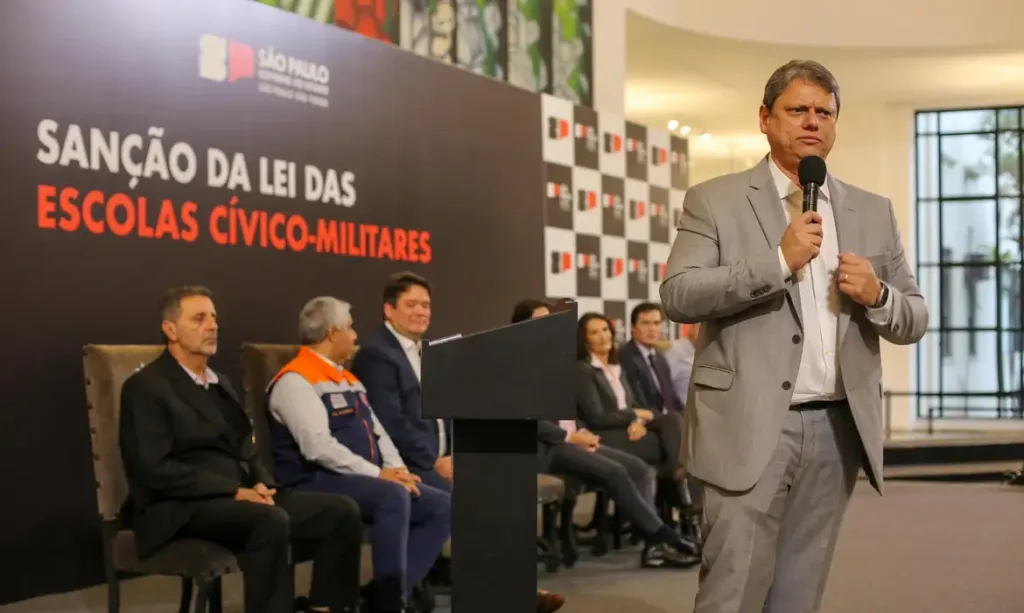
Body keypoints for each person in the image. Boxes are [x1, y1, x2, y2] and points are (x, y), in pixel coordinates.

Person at [659, 60, 928, 613]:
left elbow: (915, 317)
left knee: (799, 595)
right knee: (732, 592)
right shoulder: (714, 199)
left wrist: (878, 294)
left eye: (824, 112)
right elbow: (679, 294)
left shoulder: (872, 210)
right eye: (798, 109)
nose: (812, 121)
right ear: (765, 119)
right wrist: (777, 261)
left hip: (836, 429)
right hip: (748, 424)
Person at [119, 286, 365, 613]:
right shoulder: (146, 388)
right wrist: (233, 490)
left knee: (342, 511)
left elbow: (244, 447)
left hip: (235, 495)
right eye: (199, 318)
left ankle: (325, 607)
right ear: (170, 329)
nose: (212, 326)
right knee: (270, 521)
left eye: (214, 318)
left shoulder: (219, 383)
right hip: (178, 506)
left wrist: (261, 483)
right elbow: (154, 469)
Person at [351, 274, 566, 613]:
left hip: (440, 457)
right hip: (406, 464)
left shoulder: (426, 350)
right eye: (411, 304)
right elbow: (390, 422)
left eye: (426, 305)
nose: (421, 311)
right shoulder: (377, 355)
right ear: (389, 309)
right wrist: (433, 460)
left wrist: (457, 453)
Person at [266, 296, 451, 613]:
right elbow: (318, 447)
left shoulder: (347, 379)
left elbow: (379, 433)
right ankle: (391, 603)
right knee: (392, 496)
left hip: (360, 478)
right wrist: (379, 474)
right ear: (332, 332)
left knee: (441, 505)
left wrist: (398, 469)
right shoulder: (295, 381)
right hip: (314, 481)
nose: (355, 336)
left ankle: (384, 597)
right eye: (350, 328)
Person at [512, 300, 700, 569]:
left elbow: (570, 411)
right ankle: (662, 536)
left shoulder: (554, 360)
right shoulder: (520, 365)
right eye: (540, 321)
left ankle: (658, 535)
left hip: (575, 439)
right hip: (548, 446)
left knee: (639, 468)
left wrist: (579, 431)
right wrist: (569, 437)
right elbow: (529, 418)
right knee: (617, 471)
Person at [619, 302, 683, 415]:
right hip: (648, 419)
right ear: (632, 327)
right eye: (645, 323)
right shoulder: (625, 357)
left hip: (670, 418)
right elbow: (637, 401)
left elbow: (672, 398)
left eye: (656, 323)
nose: (652, 329)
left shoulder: (660, 358)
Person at [663, 323, 700, 407]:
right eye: (701, 326)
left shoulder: (711, 352)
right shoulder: (676, 351)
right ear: (691, 327)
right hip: (684, 409)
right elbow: (663, 384)